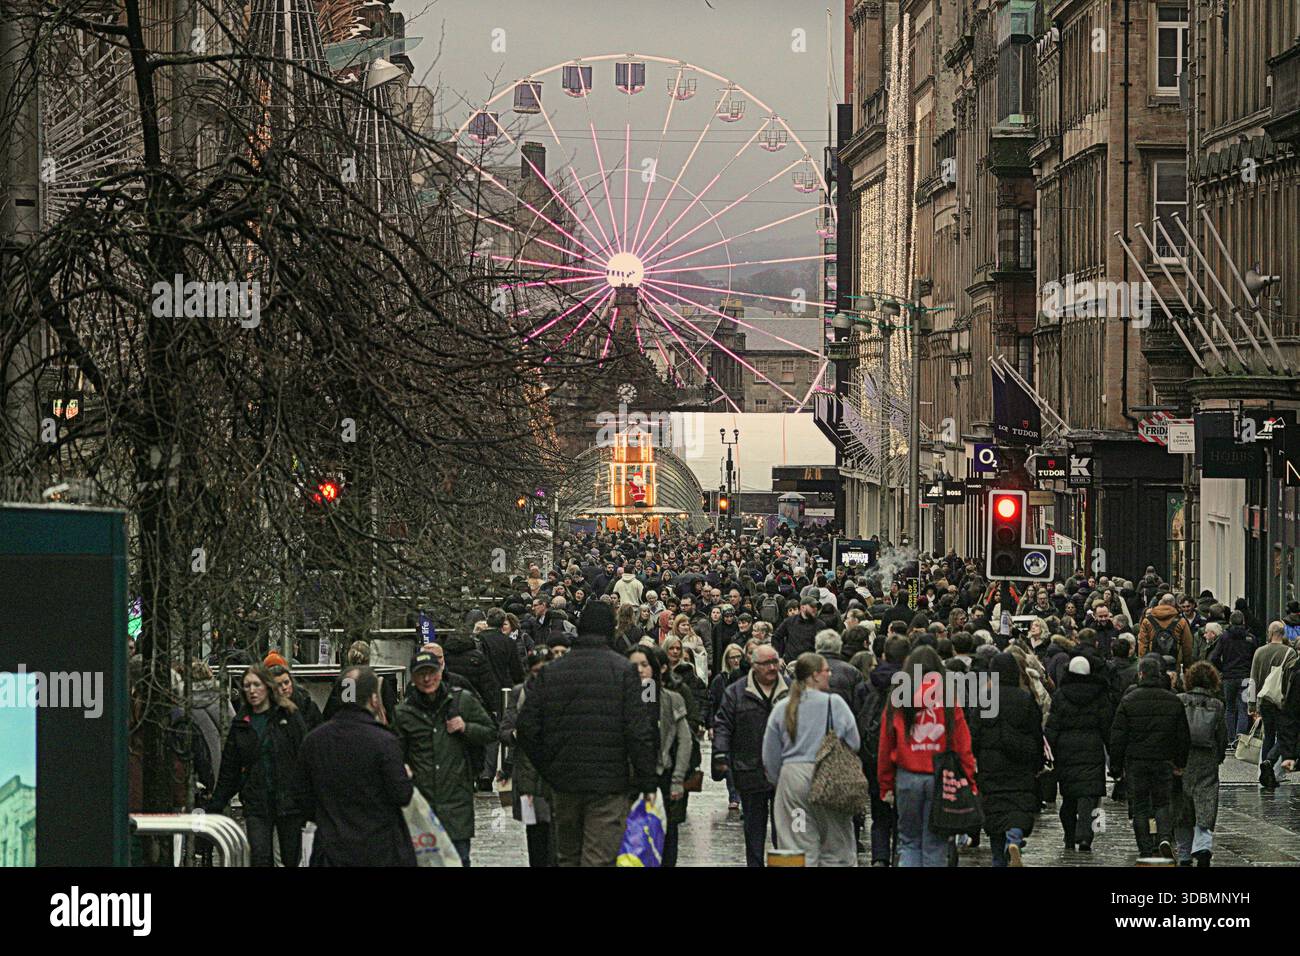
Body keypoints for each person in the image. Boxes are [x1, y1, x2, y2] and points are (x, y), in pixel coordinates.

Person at [516, 601, 658, 867]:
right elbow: (638, 731)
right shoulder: (623, 671)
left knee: (567, 857)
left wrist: (549, 767)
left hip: (564, 781)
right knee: (598, 858)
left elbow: (526, 726)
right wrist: (647, 781)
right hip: (609, 783)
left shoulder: (552, 671)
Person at [294, 666, 416, 866]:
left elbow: (301, 796)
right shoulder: (384, 741)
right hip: (378, 849)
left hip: (331, 849)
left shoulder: (314, 741)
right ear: (374, 699)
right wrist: (406, 778)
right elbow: (402, 795)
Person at [393, 650, 497, 866]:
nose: (427, 679)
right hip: (422, 807)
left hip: (456, 803)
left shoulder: (461, 701)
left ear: (440, 672)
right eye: (421, 674)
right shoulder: (404, 713)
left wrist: (466, 727)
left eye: (431, 672)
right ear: (413, 678)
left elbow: (490, 732)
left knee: (458, 860)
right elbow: (396, 751)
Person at [878, 646, 978, 867]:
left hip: (906, 776)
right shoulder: (948, 698)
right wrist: (970, 780)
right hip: (940, 777)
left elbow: (886, 744)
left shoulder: (898, 697)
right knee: (936, 843)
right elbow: (962, 744)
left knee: (909, 842)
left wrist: (885, 784)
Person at [761, 652, 861, 866]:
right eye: (827, 671)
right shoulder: (835, 704)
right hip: (830, 779)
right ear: (815, 675)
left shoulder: (782, 707)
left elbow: (770, 754)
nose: (830, 674)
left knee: (796, 845)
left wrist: (780, 780)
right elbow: (854, 742)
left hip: (793, 780)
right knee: (836, 846)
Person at [206, 664, 308, 867]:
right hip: (256, 801)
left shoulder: (288, 716)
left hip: (289, 800)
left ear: (267, 687)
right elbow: (230, 769)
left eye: (256, 685)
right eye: (247, 686)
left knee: (290, 857)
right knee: (260, 856)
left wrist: (308, 798)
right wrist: (216, 804)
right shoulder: (241, 724)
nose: (252, 691)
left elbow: (304, 757)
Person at [713, 643, 789, 866]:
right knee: (754, 829)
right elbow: (723, 725)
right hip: (749, 769)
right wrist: (720, 753)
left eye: (775, 662)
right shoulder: (736, 692)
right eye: (766, 663)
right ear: (754, 665)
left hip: (785, 771)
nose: (772, 668)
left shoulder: (791, 689)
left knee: (785, 831)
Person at [1109, 654, 1191, 859]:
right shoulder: (1172, 700)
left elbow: (1118, 736)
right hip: (1163, 759)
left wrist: (1116, 767)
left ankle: (1145, 847)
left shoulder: (1128, 700)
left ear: (1141, 674)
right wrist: (1180, 762)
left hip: (1136, 761)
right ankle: (1164, 837)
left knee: (1140, 806)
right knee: (1162, 802)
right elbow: (1183, 736)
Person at [970, 652, 1043, 866]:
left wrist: (974, 760)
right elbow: (1036, 734)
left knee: (995, 813)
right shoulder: (1025, 699)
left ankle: (999, 858)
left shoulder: (985, 700)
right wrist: (1038, 763)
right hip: (1020, 763)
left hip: (990, 765)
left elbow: (974, 734)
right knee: (1018, 807)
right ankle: (1014, 840)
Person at [629, 646, 692, 867]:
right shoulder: (620, 699)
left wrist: (678, 778)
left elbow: (685, 741)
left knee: (666, 838)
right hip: (629, 780)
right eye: (634, 665)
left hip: (662, 775)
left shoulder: (672, 699)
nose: (639, 670)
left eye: (644, 665)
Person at [1045, 655, 1113, 853]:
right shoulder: (1099, 695)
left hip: (1066, 750)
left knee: (1068, 797)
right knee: (1088, 796)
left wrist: (1048, 751)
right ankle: (1085, 836)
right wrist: (1113, 754)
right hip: (1092, 749)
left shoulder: (1061, 695)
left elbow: (1052, 726)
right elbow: (1107, 726)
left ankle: (1069, 835)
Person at [499, 647, 558, 866]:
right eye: (536, 671)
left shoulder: (562, 692)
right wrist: (516, 734)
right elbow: (504, 730)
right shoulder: (520, 694)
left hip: (556, 777)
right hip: (528, 779)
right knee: (535, 835)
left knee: (557, 837)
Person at [1174, 661, 1227, 866]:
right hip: (1207, 758)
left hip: (1182, 757)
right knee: (1206, 803)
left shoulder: (1179, 700)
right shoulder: (1217, 705)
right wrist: (1218, 756)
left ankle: (1184, 853)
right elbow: (1222, 736)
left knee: (1182, 806)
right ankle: (1203, 845)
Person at [1250, 620, 1296, 789]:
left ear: (1270, 633)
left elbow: (1253, 679)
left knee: (1268, 734)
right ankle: (1271, 765)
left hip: (1265, 700)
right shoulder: (1289, 652)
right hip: (1282, 700)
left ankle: (1265, 770)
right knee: (1284, 734)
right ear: (1283, 634)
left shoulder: (1259, 652)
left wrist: (1252, 705)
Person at [1209, 610, 1256, 748]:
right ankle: (1239, 741)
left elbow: (1214, 657)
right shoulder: (1250, 638)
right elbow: (1255, 658)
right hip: (1245, 677)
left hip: (1229, 677)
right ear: (1243, 621)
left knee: (1229, 708)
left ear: (1230, 621)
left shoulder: (1224, 637)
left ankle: (1230, 739)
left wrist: (1223, 668)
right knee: (1243, 709)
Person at [1137, 594, 1193, 670]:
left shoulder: (1147, 621)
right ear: (1174, 604)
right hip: (1174, 664)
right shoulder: (1181, 621)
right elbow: (1187, 645)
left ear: (1160, 603)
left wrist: (1143, 664)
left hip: (1153, 664)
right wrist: (1186, 665)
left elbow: (1142, 644)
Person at [266, 663, 323, 732]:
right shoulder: (267, 710)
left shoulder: (308, 706)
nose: (284, 687)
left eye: (286, 682)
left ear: (292, 682)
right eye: (278, 685)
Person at [816, 628, 865, 708]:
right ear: (839, 646)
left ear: (817, 646)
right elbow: (858, 703)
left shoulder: (805, 667)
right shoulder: (853, 671)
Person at [772, 597, 822, 662]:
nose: (815, 609)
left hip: (811, 663)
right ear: (803, 607)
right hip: (791, 662)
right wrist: (778, 657)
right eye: (812, 606)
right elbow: (776, 637)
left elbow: (824, 645)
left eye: (816, 607)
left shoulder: (820, 624)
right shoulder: (789, 622)